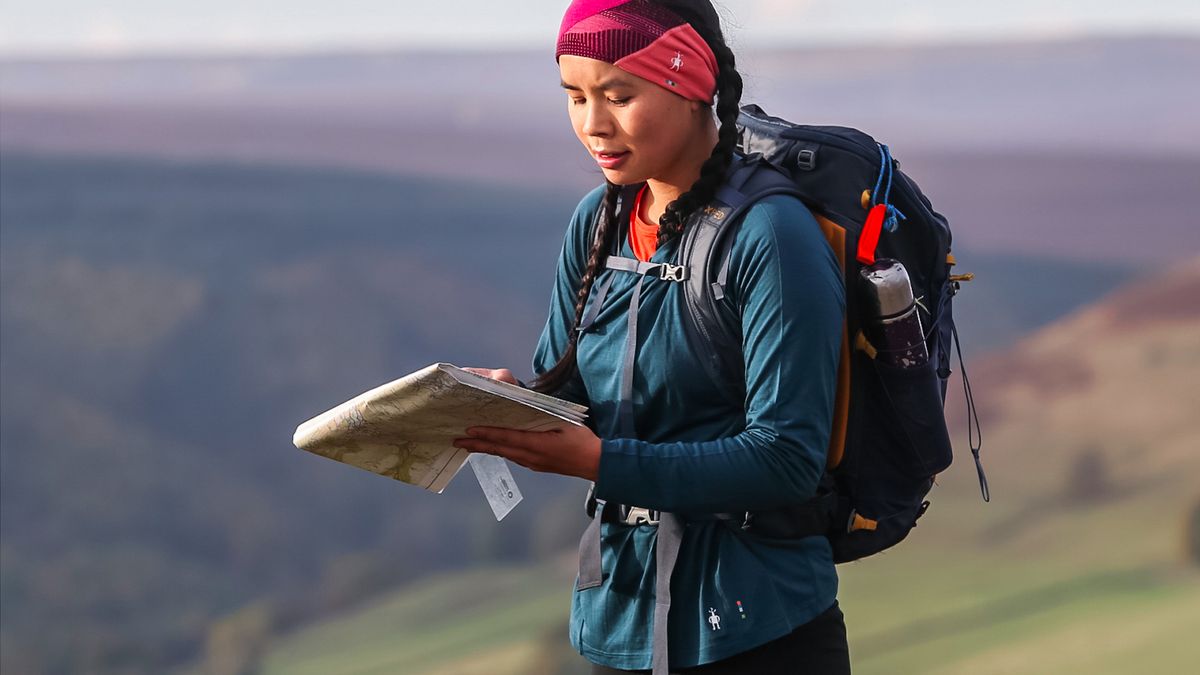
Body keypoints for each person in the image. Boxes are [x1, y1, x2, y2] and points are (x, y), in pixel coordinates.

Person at [453, 1, 850, 672]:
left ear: (691, 84)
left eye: (618, 95)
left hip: (759, 631)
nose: (592, 124)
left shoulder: (771, 236)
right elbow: (576, 395)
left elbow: (786, 459)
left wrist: (598, 462)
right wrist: (515, 403)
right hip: (622, 622)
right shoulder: (599, 220)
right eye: (574, 97)